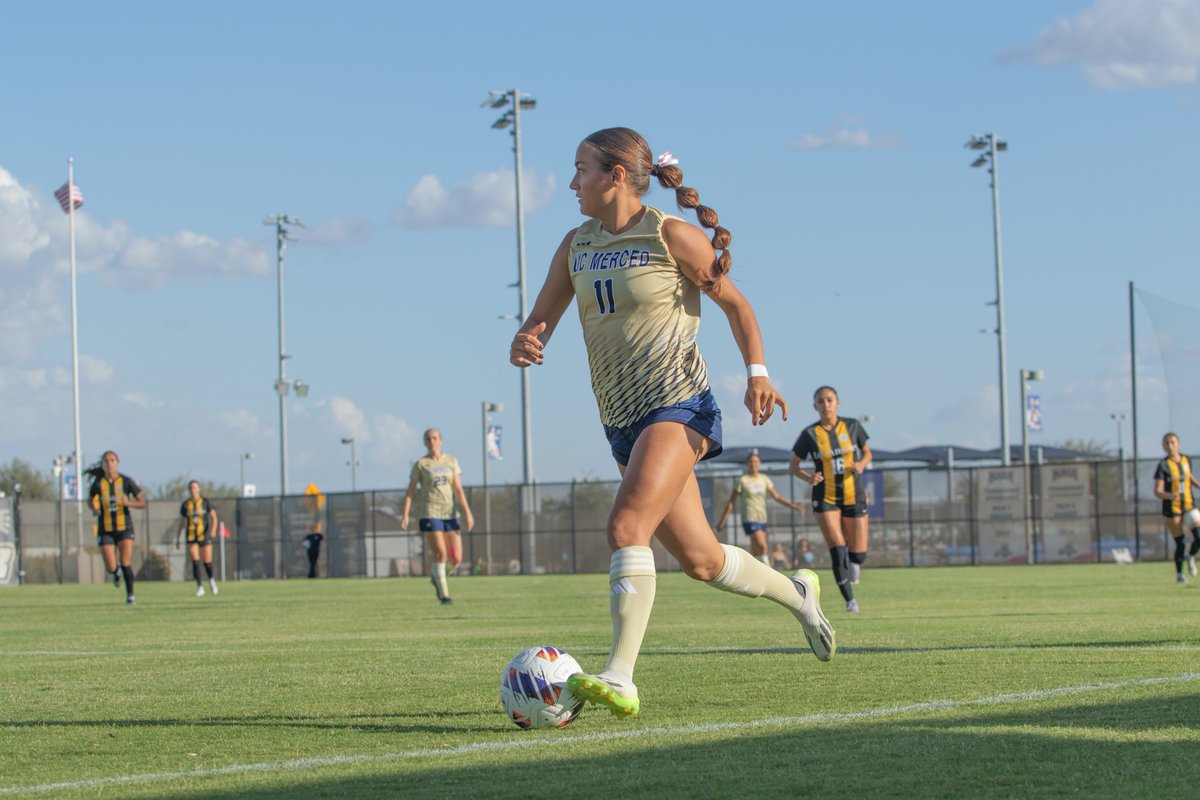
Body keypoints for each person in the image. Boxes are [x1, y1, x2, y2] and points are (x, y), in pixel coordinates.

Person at [509, 127, 834, 720]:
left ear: (614, 176)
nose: (571, 181)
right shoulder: (574, 245)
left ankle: (621, 677)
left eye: (580, 168)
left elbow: (736, 304)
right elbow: (541, 316)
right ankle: (800, 594)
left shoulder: (670, 235)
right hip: (622, 420)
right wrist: (528, 339)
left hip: (679, 404)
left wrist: (757, 372)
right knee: (703, 562)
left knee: (626, 526)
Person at [791, 386, 873, 612]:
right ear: (815, 406)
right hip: (825, 497)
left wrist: (861, 465)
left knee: (859, 554)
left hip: (853, 494)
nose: (825, 404)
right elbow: (794, 465)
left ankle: (854, 561)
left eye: (829, 400)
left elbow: (867, 453)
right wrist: (809, 476)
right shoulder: (809, 434)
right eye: (820, 401)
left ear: (838, 403)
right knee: (837, 549)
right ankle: (850, 601)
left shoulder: (853, 426)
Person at [401, 428, 475, 604]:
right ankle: (444, 595)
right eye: (428, 439)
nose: (432, 441)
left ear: (440, 440)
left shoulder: (451, 461)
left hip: (450, 515)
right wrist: (405, 515)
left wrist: (468, 513)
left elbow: (458, 489)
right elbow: (410, 492)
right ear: (425, 442)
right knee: (440, 554)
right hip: (431, 513)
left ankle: (436, 576)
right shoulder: (421, 464)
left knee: (456, 558)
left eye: (435, 438)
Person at [715, 450, 805, 565]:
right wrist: (722, 521)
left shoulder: (764, 479)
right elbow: (731, 502)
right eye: (751, 462)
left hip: (762, 519)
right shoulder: (742, 480)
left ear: (760, 463)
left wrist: (794, 506)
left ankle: (748, 574)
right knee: (763, 547)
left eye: (756, 462)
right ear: (747, 464)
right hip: (749, 518)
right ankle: (769, 575)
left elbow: (776, 497)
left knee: (756, 552)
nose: (753, 464)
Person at [87, 450, 146, 605]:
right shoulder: (99, 483)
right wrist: (94, 509)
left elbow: (142, 502)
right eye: (106, 461)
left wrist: (130, 503)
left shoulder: (126, 482)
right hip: (105, 528)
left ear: (117, 463)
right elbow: (90, 499)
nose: (110, 463)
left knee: (125, 562)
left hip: (124, 528)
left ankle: (130, 595)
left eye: (113, 460)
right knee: (111, 566)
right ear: (103, 464)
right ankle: (115, 573)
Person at [1153, 432, 1200, 583]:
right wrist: (1169, 495)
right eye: (1166, 443)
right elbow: (1157, 491)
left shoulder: (1186, 460)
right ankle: (1179, 574)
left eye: (1172, 442)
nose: (1170, 445)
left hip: (1189, 505)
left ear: (1178, 444)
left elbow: (1189, 476)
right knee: (1180, 543)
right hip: (1172, 509)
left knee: (1198, 536)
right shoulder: (1163, 465)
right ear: (1163, 446)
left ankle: (1191, 556)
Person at [174, 480, 219, 596]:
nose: (193, 490)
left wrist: (213, 531)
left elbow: (214, 517)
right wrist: (178, 537)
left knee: (207, 561)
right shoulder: (186, 505)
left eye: (195, 487)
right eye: (191, 488)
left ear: (199, 489)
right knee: (195, 560)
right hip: (191, 536)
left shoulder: (205, 502)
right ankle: (200, 586)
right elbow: (182, 522)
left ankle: (211, 581)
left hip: (204, 535)